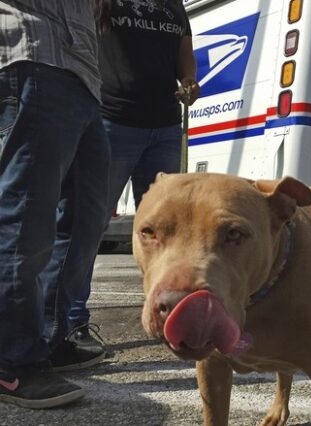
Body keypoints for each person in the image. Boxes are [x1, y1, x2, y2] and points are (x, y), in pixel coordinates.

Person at [67, 0, 200, 348]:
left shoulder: (173, 5)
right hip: (111, 120)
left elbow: (184, 48)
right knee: (87, 225)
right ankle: (71, 320)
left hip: (167, 127)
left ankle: (168, 311)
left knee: (168, 231)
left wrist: (189, 79)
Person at [0, 0, 111, 409]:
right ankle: (11, 360)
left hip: (82, 76)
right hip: (33, 52)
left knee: (87, 217)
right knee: (26, 213)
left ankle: (49, 338)